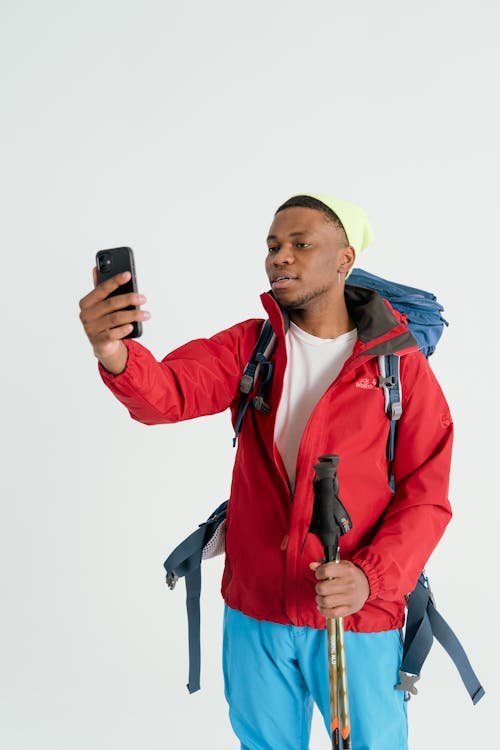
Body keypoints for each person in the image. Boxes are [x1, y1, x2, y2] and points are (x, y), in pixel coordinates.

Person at [79, 194, 453, 750]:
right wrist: (112, 348)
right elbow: (167, 395)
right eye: (274, 246)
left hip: (355, 618)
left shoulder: (398, 366)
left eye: (302, 245)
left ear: (344, 258)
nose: (281, 257)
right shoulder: (253, 346)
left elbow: (427, 497)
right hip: (257, 611)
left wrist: (369, 577)